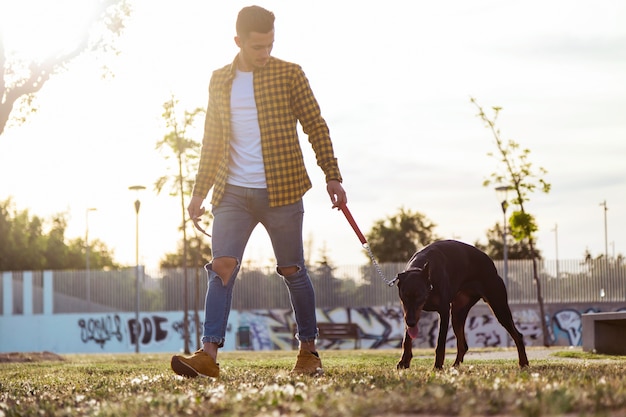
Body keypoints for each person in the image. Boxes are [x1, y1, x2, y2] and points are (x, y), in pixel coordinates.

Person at [170, 5, 347, 378]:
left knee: (292, 270)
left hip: (282, 190)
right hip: (232, 193)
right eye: (257, 47)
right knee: (221, 268)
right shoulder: (219, 80)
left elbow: (316, 124)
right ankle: (208, 356)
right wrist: (199, 192)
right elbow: (212, 139)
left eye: (269, 45)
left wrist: (332, 174)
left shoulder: (289, 74)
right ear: (238, 42)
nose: (265, 53)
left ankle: (308, 352)